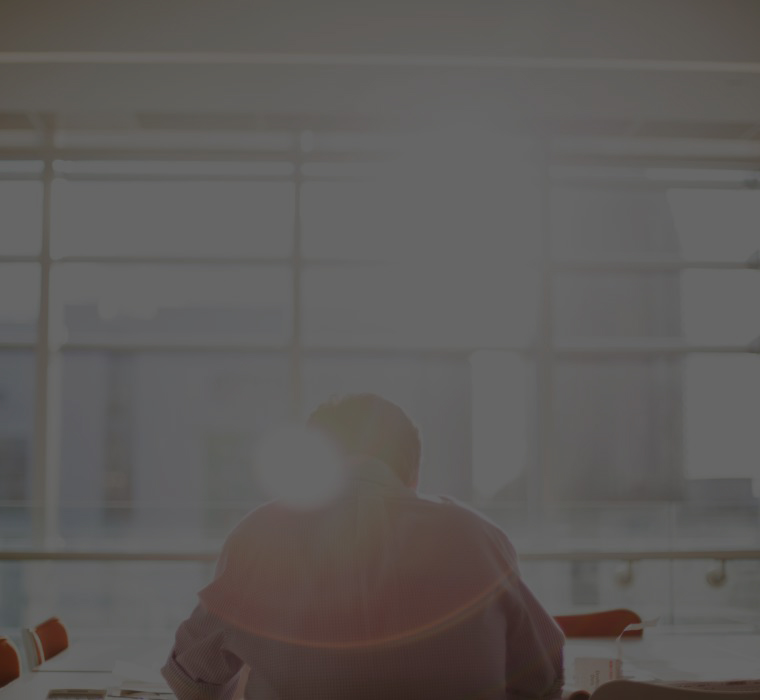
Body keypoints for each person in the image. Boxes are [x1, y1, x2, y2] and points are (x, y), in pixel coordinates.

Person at [162, 393, 564, 700]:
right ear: (413, 473)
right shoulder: (478, 536)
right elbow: (543, 678)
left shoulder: (261, 534)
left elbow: (191, 678)